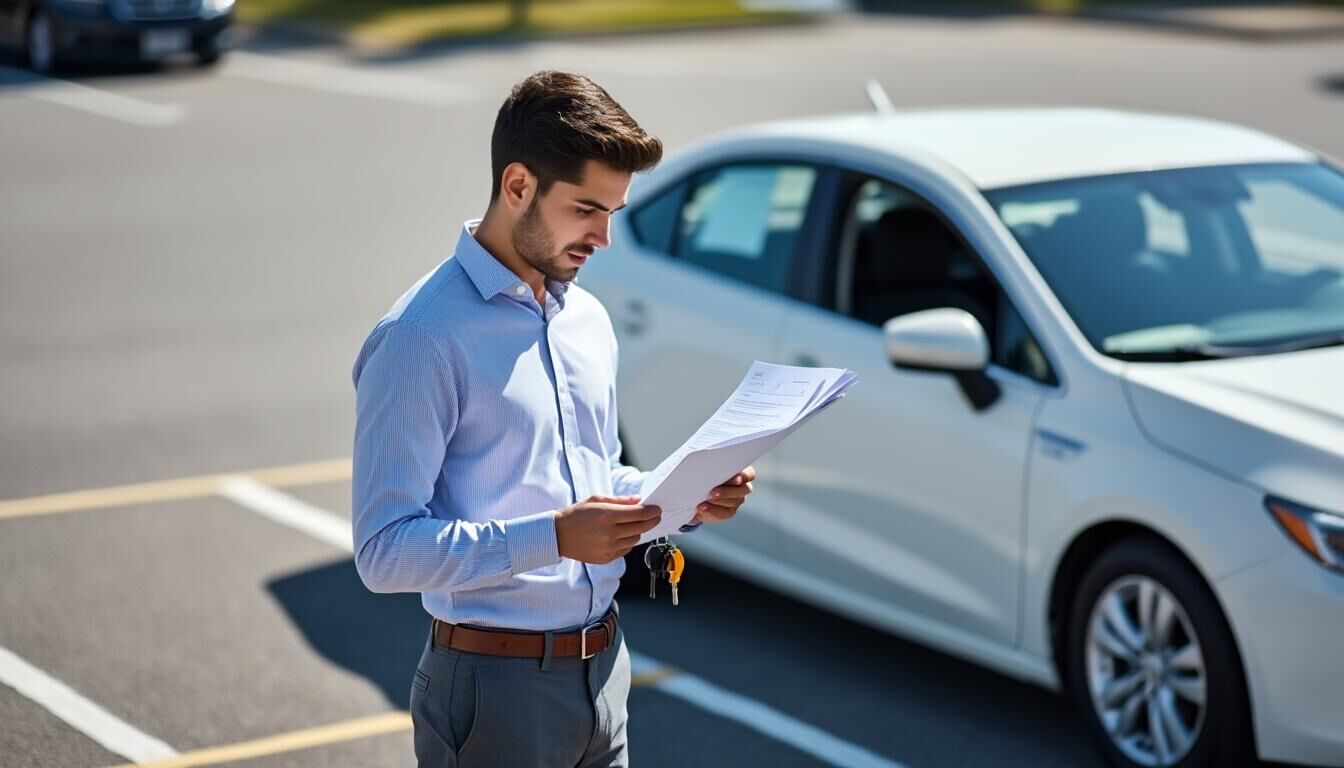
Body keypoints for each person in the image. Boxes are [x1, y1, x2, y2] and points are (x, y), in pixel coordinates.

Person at [350, 70, 756, 768]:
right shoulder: (421, 337)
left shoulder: (587, 319)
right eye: (585, 210)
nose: (603, 237)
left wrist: (683, 498)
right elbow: (384, 551)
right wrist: (556, 538)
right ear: (517, 187)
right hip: (493, 691)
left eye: (613, 213)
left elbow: (591, 480)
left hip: (605, 670)